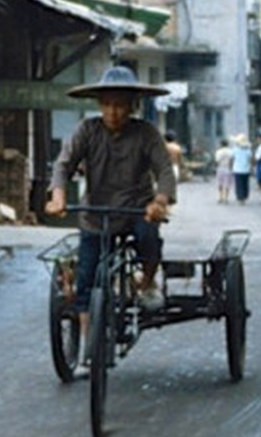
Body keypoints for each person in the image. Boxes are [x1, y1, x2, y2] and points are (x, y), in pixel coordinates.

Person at [44, 63, 176, 313]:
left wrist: (159, 202)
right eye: (106, 104)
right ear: (99, 105)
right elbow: (64, 165)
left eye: (120, 105)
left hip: (137, 209)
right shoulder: (87, 130)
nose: (112, 112)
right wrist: (58, 197)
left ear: (132, 106)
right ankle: (88, 333)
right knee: (86, 279)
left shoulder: (146, 133)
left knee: (149, 241)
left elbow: (165, 171)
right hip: (97, 213)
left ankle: (148, 283)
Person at [231, 133, 253, 203]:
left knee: (238, 184)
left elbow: (232, 158)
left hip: (237, 169)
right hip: (246, 169)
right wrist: (251, 168)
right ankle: (244, 196)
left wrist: (231, 167)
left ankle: (240, 197)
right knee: (245, 183)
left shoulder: (235, 150)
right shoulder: (248, 150)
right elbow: (250, 160)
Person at [213, 137, 235, 204]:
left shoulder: (218, 152)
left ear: (221, 144)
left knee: (220, 183)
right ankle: (226, 198)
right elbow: (232, 160)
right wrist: (231, 168)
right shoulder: (231, 151)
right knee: (227, 183)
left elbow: (217, 161)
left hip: (220, 168)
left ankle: (220, 197)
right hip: (228, 168)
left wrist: (215, 167)